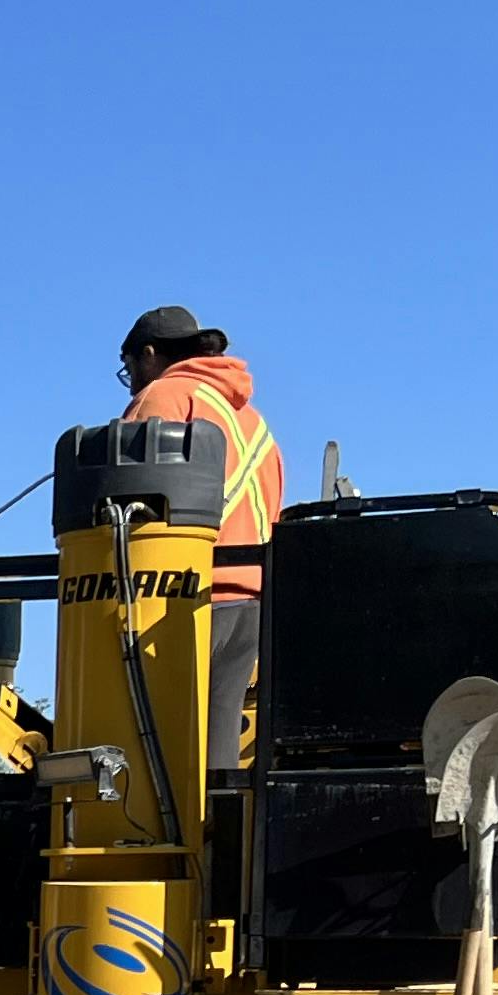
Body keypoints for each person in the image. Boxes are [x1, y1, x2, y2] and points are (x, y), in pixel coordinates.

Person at [119, 305, 285, 767]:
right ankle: (218, 834)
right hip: (250, 599)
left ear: (149, 354)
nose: (130, 377)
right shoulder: (254, 422)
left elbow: (130, 503)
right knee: (217, 747)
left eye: (129, 365)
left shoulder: (164, 398)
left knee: (153, 744)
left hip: (183, 592)